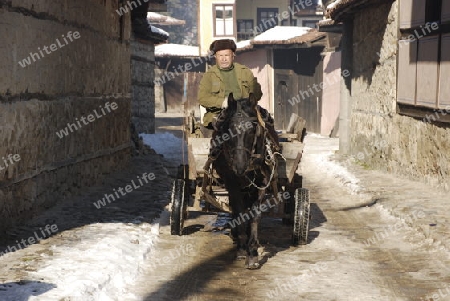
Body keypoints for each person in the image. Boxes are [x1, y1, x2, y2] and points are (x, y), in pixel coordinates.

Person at [197, 39, 279, 159]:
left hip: (245, 110)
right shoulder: (209, 75)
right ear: (215, 56)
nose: (224, 59)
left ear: (233, 56)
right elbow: (202, 98)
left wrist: (250, 98)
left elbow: (257, 93)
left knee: (266, 121)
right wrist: (222, 102)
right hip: (220, 112)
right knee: (221, 129)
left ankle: (272, 152)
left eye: (227, 55)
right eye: (220, 56)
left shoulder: (244, 72)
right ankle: (215, 155)